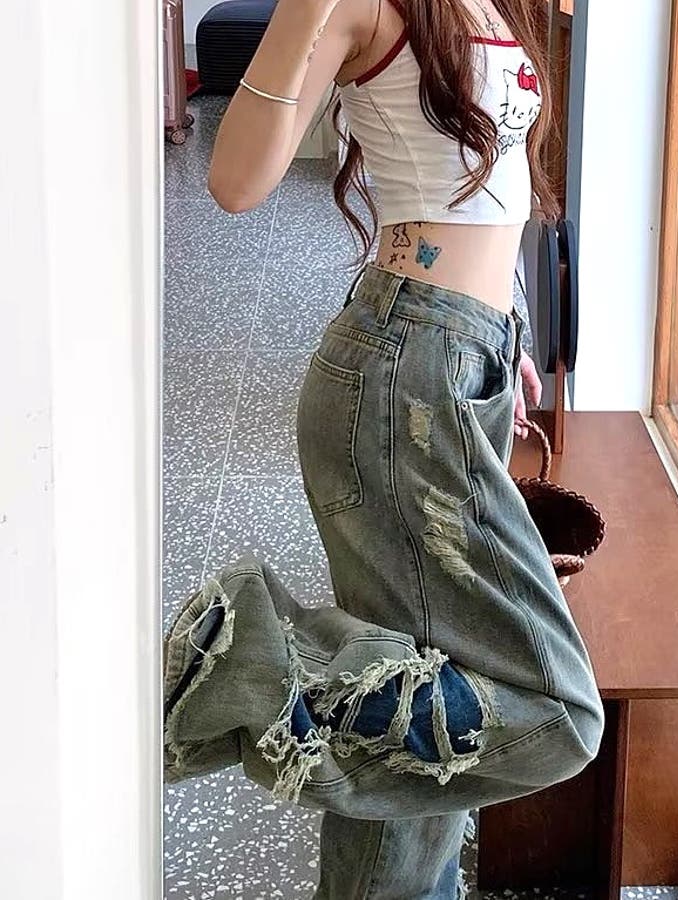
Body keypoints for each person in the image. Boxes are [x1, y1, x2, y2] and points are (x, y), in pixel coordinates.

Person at [163, 1, 604, 896]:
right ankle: (244, 654)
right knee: (555, 708)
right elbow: (236, 182)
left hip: (466, 353)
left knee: (420, 715)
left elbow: (494, 177)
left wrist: (506, 326)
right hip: (410, 364)